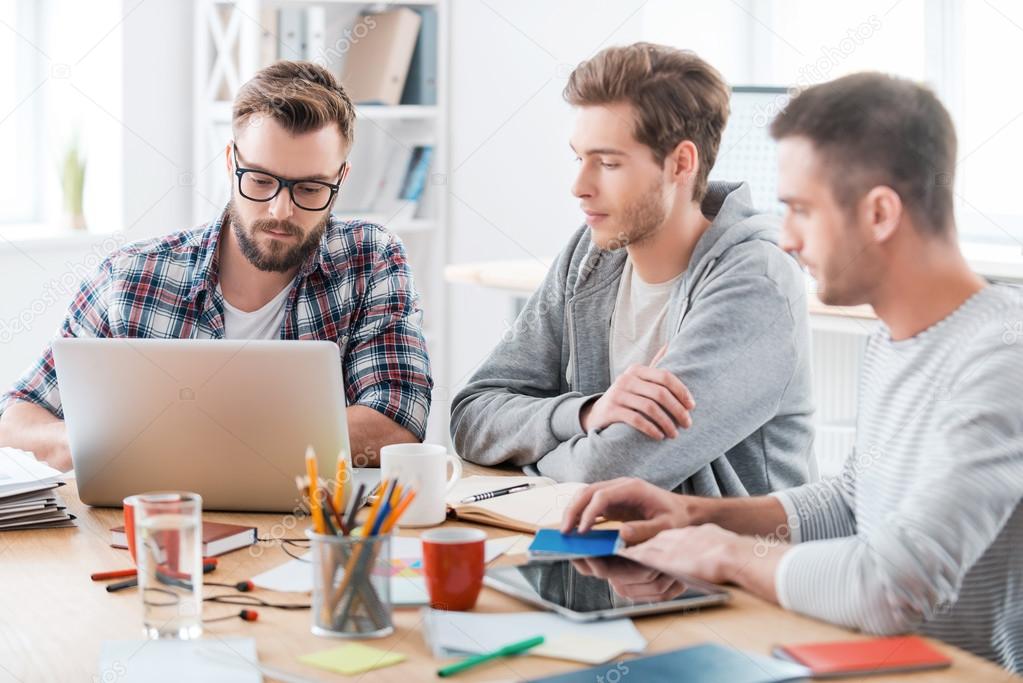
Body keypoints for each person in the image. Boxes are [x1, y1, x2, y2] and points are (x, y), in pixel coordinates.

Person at [562, 72, 1023, 674]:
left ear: (880, 213)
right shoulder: (892, 336)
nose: (787, 238)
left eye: (801, 210)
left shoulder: (1001, 359)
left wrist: (725, 555)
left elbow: (893, 585)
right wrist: (697, 516)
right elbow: (854, 504)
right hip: (856, 657)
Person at [0, 61, 433, 470]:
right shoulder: (130, 277)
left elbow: (396, 422)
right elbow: (15, 419)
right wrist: (82, 442)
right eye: (261, 181)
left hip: (307, 531)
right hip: (152, 530)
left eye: (310, 187)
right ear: (231, 161)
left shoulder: (370, 258)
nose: (281, 211)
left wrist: (197, 445)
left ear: (341, 178)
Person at [450, 43, 814, 495]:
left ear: (681, 163)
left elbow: (610, 471)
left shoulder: (756, 280)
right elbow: (471, 417)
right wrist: (587, 414)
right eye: (578, 158)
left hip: (722, 561)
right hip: (604, 550)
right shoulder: (590, 254)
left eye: (607, 163)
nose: (579, 187)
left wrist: (535, 447)